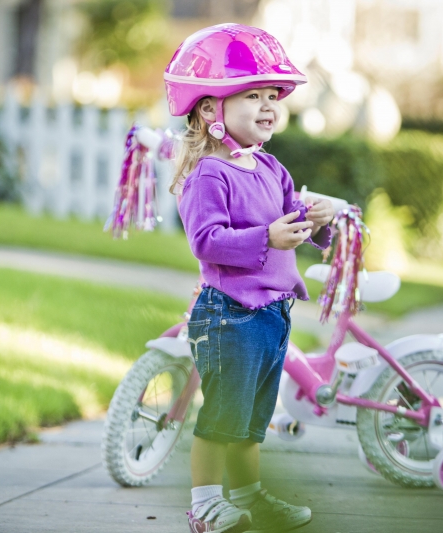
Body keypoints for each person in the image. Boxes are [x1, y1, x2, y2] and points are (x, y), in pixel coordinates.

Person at [165, 24, 335, 533]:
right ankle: (204, 504)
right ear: (210, 110)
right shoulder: (208, 176)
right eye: (252, 95)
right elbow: (207, 241)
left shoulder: (270, 167)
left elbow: (292, 221)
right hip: (230, 317)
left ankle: (248, 495)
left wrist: (317, 224)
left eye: (271, 96)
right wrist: (268, 237)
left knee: (252, 422)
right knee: (223, 415)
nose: (268, 106)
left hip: (272, 316)